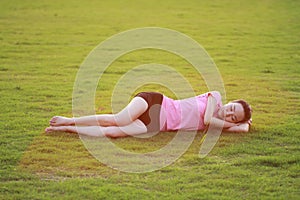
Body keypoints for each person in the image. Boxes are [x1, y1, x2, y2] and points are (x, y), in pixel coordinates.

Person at [45, 91, 252, 137]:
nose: (229, 114)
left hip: (155, 126)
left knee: (114, 133)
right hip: (155, 102)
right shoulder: (214, 97)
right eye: (232, 108)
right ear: (230, 101)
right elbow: (207, 119)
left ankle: (66, 128)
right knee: (118, 119)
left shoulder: (218, 124)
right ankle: (69, 119)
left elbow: (242, 129)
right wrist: (233, 124)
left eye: (233, 117)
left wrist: (244, 124)